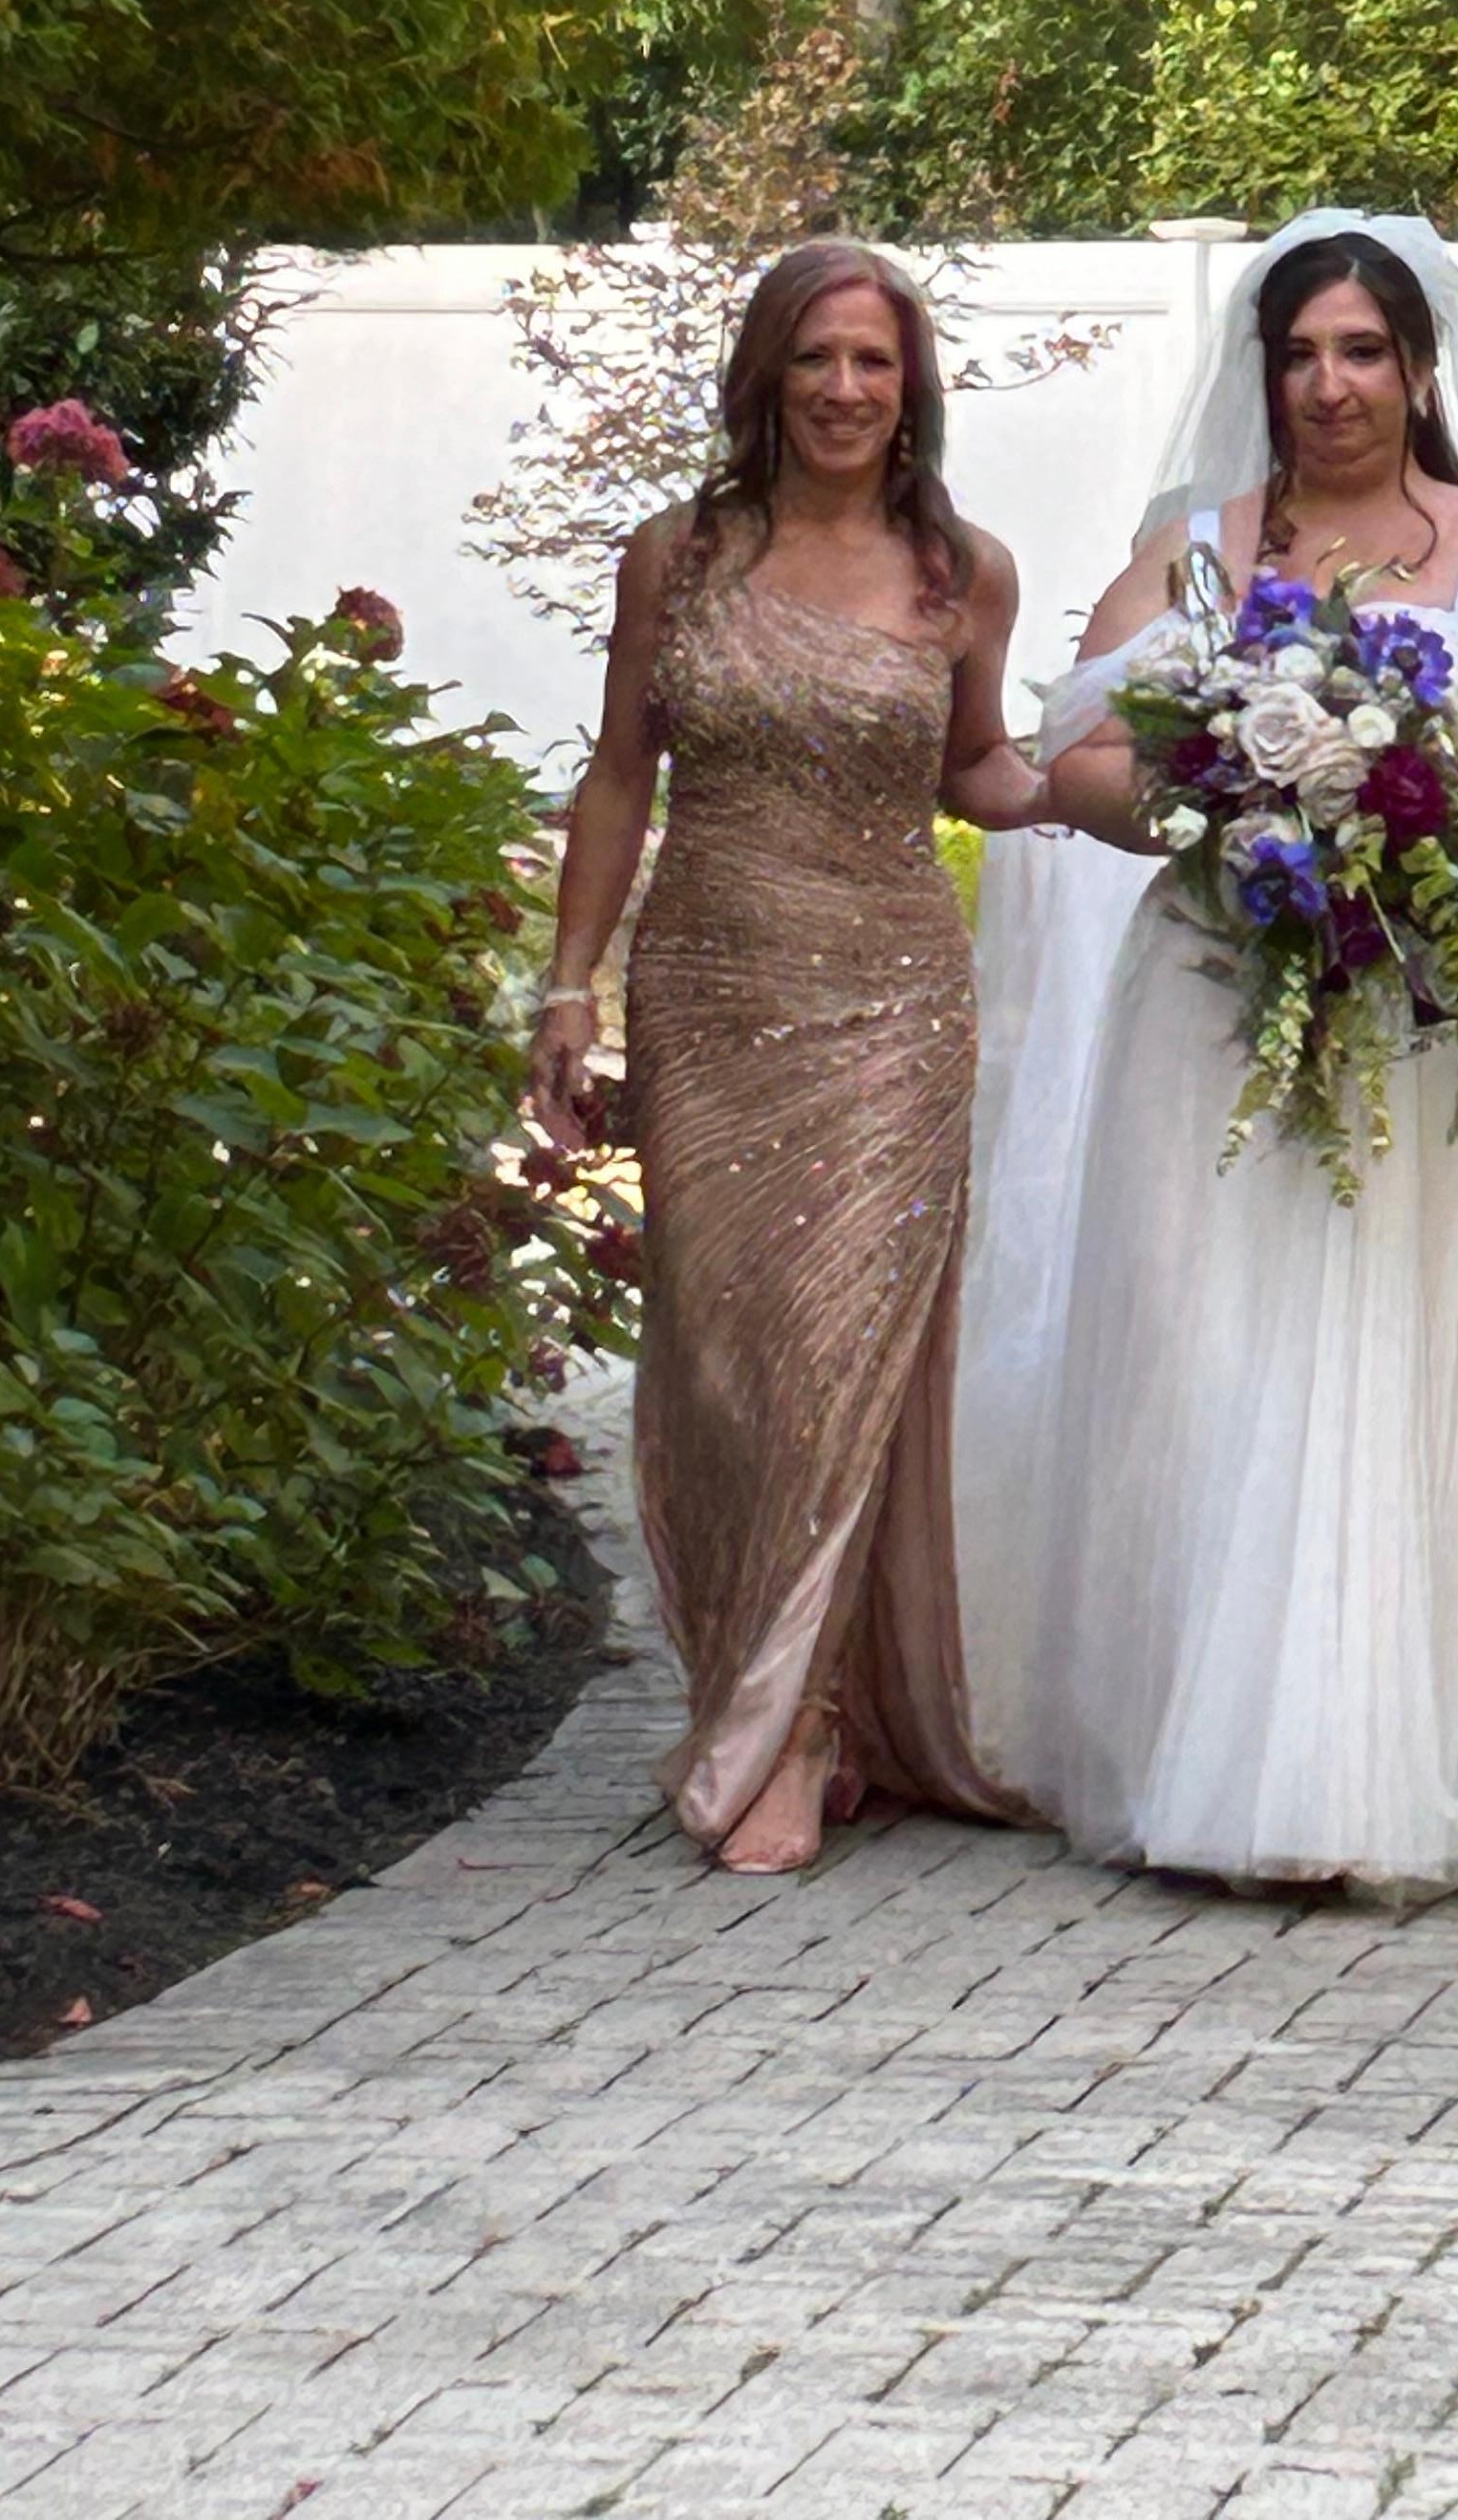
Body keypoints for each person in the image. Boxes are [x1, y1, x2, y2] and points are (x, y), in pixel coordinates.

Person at [956, 213, 1458, 1893]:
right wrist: (1235, 802)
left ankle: (1439, 1763)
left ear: (1418, 369)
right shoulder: (1189, 553)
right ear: (1266, 374)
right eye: (1302, 354)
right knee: (1221, 1367)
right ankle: (1226, 1760)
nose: (1330, 387)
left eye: (1363, 353)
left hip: (1438, 1031)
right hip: (1216, 1029)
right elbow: (1074, 763)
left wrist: (1411, 804)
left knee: (1431, 1371)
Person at [528, 239, 1046, 1874]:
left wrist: (1147, 775)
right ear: (766, 374)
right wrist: (567, 986)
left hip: (892, 1004)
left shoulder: (964, 570)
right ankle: (754, 1691)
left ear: (912, 388)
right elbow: (621, 776)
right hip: (708, 990)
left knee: (842, 1362)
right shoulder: (676, 557)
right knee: (726, 1365)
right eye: (816, 358)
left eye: (873, 363)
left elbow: (983, 773)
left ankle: (801, 1731)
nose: (843, 388)